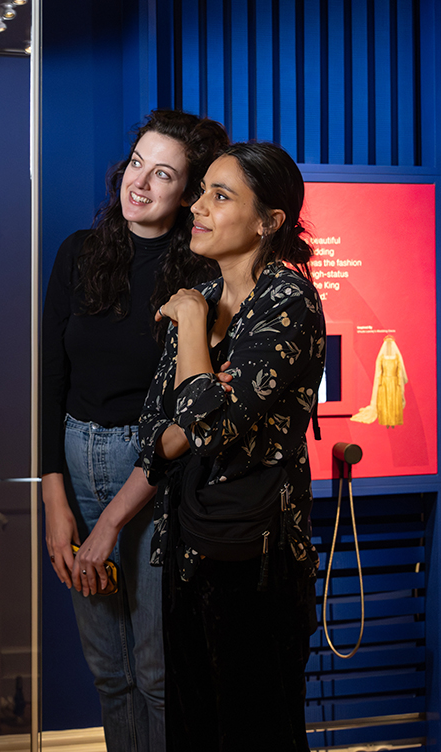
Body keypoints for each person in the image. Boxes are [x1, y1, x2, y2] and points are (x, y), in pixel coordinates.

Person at [42, 109, 228, 751]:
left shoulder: (199, 282)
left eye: (165, 174)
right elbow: (49, 383)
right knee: (109, 673)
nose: (140, 182)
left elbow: (187, 419)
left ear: (189, 193)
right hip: (74, 456)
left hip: (151, 476)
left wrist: (112, 521)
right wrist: (53, 501)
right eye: (137, 163)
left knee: (154, 674)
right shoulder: (77, 254)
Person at [138, 142, 325, 751]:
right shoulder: (202, 291)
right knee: (193, 732)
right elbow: (153, 436)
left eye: (221, 196)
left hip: (258, 561)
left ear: (269, 221)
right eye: (203, 193)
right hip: (189, 548)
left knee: (255, 732)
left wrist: (192, 330)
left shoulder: (288, 304)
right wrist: (200, 408)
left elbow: (209, 429)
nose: (198, 207)